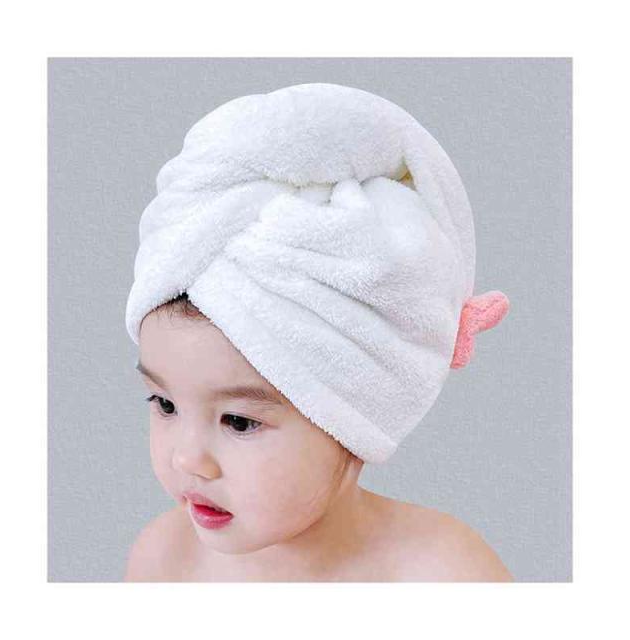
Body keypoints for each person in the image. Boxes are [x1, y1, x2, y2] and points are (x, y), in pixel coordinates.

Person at [123, 82, 514, 582]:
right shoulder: (165, 559)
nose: (187, 458)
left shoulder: (445, 577)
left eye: (238, 421)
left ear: (356, 417)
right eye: (165, 404)